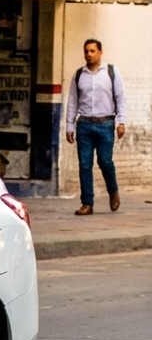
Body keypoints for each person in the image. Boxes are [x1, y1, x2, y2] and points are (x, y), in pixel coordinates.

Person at [65, 38, 126, 215]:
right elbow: (73, 102)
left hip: (106, 124)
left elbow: (121, 98)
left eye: (92, 51)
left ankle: (113, 190)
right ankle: (87, 203)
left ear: (100, 52)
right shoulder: (79, 75)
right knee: (84, 164)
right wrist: (70, 126)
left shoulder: (111, 72)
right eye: (86, 51)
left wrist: (121, 122)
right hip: (84, 125)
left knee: (105, 161)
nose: (89, 54)